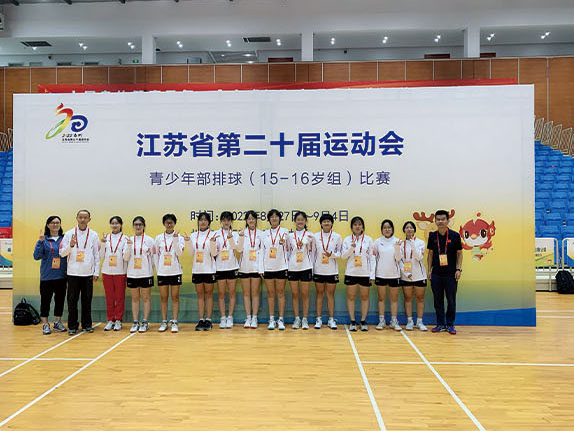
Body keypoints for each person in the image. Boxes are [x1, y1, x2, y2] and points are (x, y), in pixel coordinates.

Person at [60, 210, 100, 336]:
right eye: (80, 217)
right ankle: (72, 326)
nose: (82, 220)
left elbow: (96, 255)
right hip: (72, 273)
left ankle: (87, 324)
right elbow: (62, 253)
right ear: (76, 218)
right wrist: (70, 246)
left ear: (89, 219)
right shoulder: (69, 234)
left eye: (85, 217)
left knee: (87, 301)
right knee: (72, 301)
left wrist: (96, 272)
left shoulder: (93, 235)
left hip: (88, 273)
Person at [426, 209, 463, 335]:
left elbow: (460, 254)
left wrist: (458, 269)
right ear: (435, 221)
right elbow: (430, 254)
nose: (440, 221)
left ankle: (450, 324)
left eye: (443, 219)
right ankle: (440, 324)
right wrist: (429, 270)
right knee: (438, 300)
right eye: (438, 219)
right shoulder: (432, 236)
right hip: (436, 274)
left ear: (448, 221)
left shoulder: (455, 236)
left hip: (451, 274)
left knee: (451, 300)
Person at [33, 216, 67, 335]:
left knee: (60, 301)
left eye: (57, 222)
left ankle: (57, 322)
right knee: (45, 301)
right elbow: (36, 256)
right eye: (52, 223)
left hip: (61, 276)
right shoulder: (44, 239)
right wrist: (40, 242)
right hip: (47, 276)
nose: (55, 225)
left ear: (60, 225)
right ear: (48, 225)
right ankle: (45, 324)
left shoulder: (64, 239)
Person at [342, 216, 375, 331]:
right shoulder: (347, 239)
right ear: (352, 227)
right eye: (355, 224)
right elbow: (343, 256)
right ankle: (352, 321)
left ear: (363, 227)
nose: (357, 226)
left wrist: (372, 274)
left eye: (359, 224)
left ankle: (363, 321)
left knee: (365, 297)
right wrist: (351, 249)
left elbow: (372, 258)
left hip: (364, 273)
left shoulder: (368, 239)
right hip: (351, 272)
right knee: (351, 297)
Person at [123, 216, 155, 333]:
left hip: (146, 274)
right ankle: (135, 322)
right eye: (136, 224)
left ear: (144, 226)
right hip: (132, 274)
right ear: (133, 226)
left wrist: (149, 270)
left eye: (140, 224)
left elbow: (153, 258)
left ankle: (145, 322)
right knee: (135, 298)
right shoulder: (128, 240)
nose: (138, 226)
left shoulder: (150, 240)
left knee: (146, 298)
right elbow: (125, 258)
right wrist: (129, 246)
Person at [186, 212, 217, 331]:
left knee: (209, 295)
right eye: (201, 220)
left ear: (209, 222)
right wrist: (188, 242)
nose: (203, 222)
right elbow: (190, 253)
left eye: (205, 220)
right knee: (200, 295)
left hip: (209, 269)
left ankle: (208, 320)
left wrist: (213, 243)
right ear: (198, 222)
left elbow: (214, 253)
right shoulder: (193, 235)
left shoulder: (213, 235)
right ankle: (201, 319)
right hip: (197, 269)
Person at [155, 214, 185, 333]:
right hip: (162, 272)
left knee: (175, 297)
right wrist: (158, 270)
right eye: (167, 222)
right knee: (163, 297)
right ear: (164, 224)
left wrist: (176, 240)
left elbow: (179, 253)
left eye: (171, 222)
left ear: (174, 223)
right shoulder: (158, 238)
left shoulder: (180, 238)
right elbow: (156, 256)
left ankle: (174, 322)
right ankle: (164, 322)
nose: (169, 224)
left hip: (175, 271)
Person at [312, 213, 342, 330]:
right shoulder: (315, 237)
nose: (326, 223)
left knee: (330, 295)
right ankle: (318, 319)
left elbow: (340, 253)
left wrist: (332, 255)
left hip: (331, 271)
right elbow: (313, 253)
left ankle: (331, 319)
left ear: (332, 223)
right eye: (324, 221)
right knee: (319, 294)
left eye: (328, 221)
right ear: (321, 224)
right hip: (319, 270)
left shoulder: (337, 237)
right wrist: (312, 269)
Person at [286, 211, 315, 330]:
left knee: (305, 294)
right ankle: (297, 319)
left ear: (305, 221)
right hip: (293, 267)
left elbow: (309, 245)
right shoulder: (289, 236)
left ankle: (305, 319)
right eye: (298, 219)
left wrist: (302, 242)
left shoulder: (310, 235)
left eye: (302, 220)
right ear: (295, 221)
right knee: (294, 294)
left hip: (305, 267)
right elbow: (288, 251)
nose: (300, 222)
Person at [211, 211, 240, 329]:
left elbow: (237, 248)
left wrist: (231, 238)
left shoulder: (235, 234)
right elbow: (213, 253)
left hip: (232, 266)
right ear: (221, 221)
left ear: (231, 221)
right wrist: (212, 243)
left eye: (228, 220)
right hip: (220, 267)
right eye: (224, 220)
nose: (226, 222)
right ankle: (223, 317)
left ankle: (230, 317)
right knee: (221, 294)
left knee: (232, 293)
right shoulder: (215, 234)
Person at [261, 209, 289, 330]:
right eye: (271, 217)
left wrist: (283, 242)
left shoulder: (285, 232)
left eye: (276, 216)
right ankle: (271, 319)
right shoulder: (264, 234)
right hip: (268, 267)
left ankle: (281, 319)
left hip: (281, 266)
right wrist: (261, 268)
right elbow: (262, 251)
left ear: (279, 219)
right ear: (269, 219)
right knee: (270, 294)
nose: (274, 218)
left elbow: (288, 246)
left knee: (281, 293)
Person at [236, 210, 264, 329]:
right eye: (249, 219)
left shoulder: (261, 234)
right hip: (244, 267)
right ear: (246, 221)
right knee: (246, 294)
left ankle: (255, 317)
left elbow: (262, 252)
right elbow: (239, 250)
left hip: (256, 267)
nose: (251, 220)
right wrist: (241, 237)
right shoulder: (241, 233)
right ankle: (248, 317)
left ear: (256, 220)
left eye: (253, 218)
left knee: (255, 293)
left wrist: (261, 269)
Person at [100, 216, 128, 332]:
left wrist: (129, 246)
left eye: (117, 223)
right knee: (109, 297)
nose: (114, 225)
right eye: (112, 223)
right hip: (107, 271)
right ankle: (110, 319)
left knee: (119, 297)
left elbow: (126, 257)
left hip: (120, 272)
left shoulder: (125, 239)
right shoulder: (105, 238)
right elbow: (101, 255)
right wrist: (102, 243)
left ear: (121, 224)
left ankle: (118, 320)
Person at [373, 219, 402, 331]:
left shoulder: (397, 241)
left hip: (394, 275)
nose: (387, 229)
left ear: (392, 229)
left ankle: (394, 321)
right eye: (385, 228)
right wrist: (373, 274)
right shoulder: (377, 242)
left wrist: (397, 249)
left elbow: (399, 259)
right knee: (381, 298)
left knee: (394, 299)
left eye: (389, 227)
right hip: (381, 274)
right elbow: (374, 258)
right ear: (382, 230)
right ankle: (382, 320)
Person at [400, 221, 428, 331]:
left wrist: (412, 244)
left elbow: (418, 257)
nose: (409, 229)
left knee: (420, 299)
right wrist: (406, 273)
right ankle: (410, 321)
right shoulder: (401, 243)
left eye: (411, 227)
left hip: (419, 275)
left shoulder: (420, 242)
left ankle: (420, 322)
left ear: (414, 230)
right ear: (404, 230)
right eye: (407, 227)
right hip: (406, 276)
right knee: (408, 298)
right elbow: (399, 260)